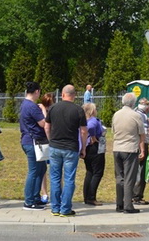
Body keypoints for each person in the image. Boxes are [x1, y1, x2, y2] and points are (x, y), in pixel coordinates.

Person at [44, 84, 87, 217]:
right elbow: (84, 131)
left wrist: (51, 140)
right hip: (71, 147)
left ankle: (55, 208)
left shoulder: (53, 108)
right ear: (74, 96)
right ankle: (65, 208)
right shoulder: (78, 110)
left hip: (55, 146)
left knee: (55, 178)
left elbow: (46, 127)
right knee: (69, 179)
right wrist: (83, 147)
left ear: (62, 94)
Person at [111, 93, 145, 213]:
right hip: (130, 148)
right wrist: (142, 150)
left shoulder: (116, 115)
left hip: (117, 148)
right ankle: (128, 205)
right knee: (129, 178)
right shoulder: (136, 116)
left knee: (119, 177)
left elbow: (113, 130)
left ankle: (119, 204)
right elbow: (141, 134)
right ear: (133, 103)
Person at [19, 82, 48, 211]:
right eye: (39, 92)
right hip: (33, 142)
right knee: (34, 171)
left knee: (41, 169)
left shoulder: (25, 104)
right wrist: (43, 110)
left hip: (31, 141)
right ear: (36, 91)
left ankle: (35, 198)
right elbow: (44, 123)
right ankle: (29, 201)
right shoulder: (32, 106)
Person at [83, 103, 105, 206]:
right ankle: (91, 197)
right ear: (92, 111)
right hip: (95, 147)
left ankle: (87, 196)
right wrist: (93, 137)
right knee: (97, 172)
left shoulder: (85, 120)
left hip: (87, 148)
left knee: (90, 171)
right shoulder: (93, 121)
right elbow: (91, 128)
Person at [133, 98, 149, 205]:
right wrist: (144, 148)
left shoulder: (134, 112)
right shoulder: (143, 116)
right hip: (141, 144)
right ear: (146, 107)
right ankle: (137, 195)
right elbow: (143, 134)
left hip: (132, 144)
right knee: (142, 170)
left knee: (133, 170)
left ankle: (131, 195)